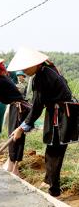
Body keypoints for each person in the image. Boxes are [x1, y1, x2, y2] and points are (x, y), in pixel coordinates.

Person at [8, 47, 77, 196]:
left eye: (26, 67)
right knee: (51, 149)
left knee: (55, 152)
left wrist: (22, 127)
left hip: (61, 114)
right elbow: (39, 104)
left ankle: (54, 190)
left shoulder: (42, 76)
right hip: (56, 112)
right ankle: (48, 181)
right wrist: (25, 125)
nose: (24, 71)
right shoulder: (46, 70)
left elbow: (38, 105)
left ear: (35, 63)